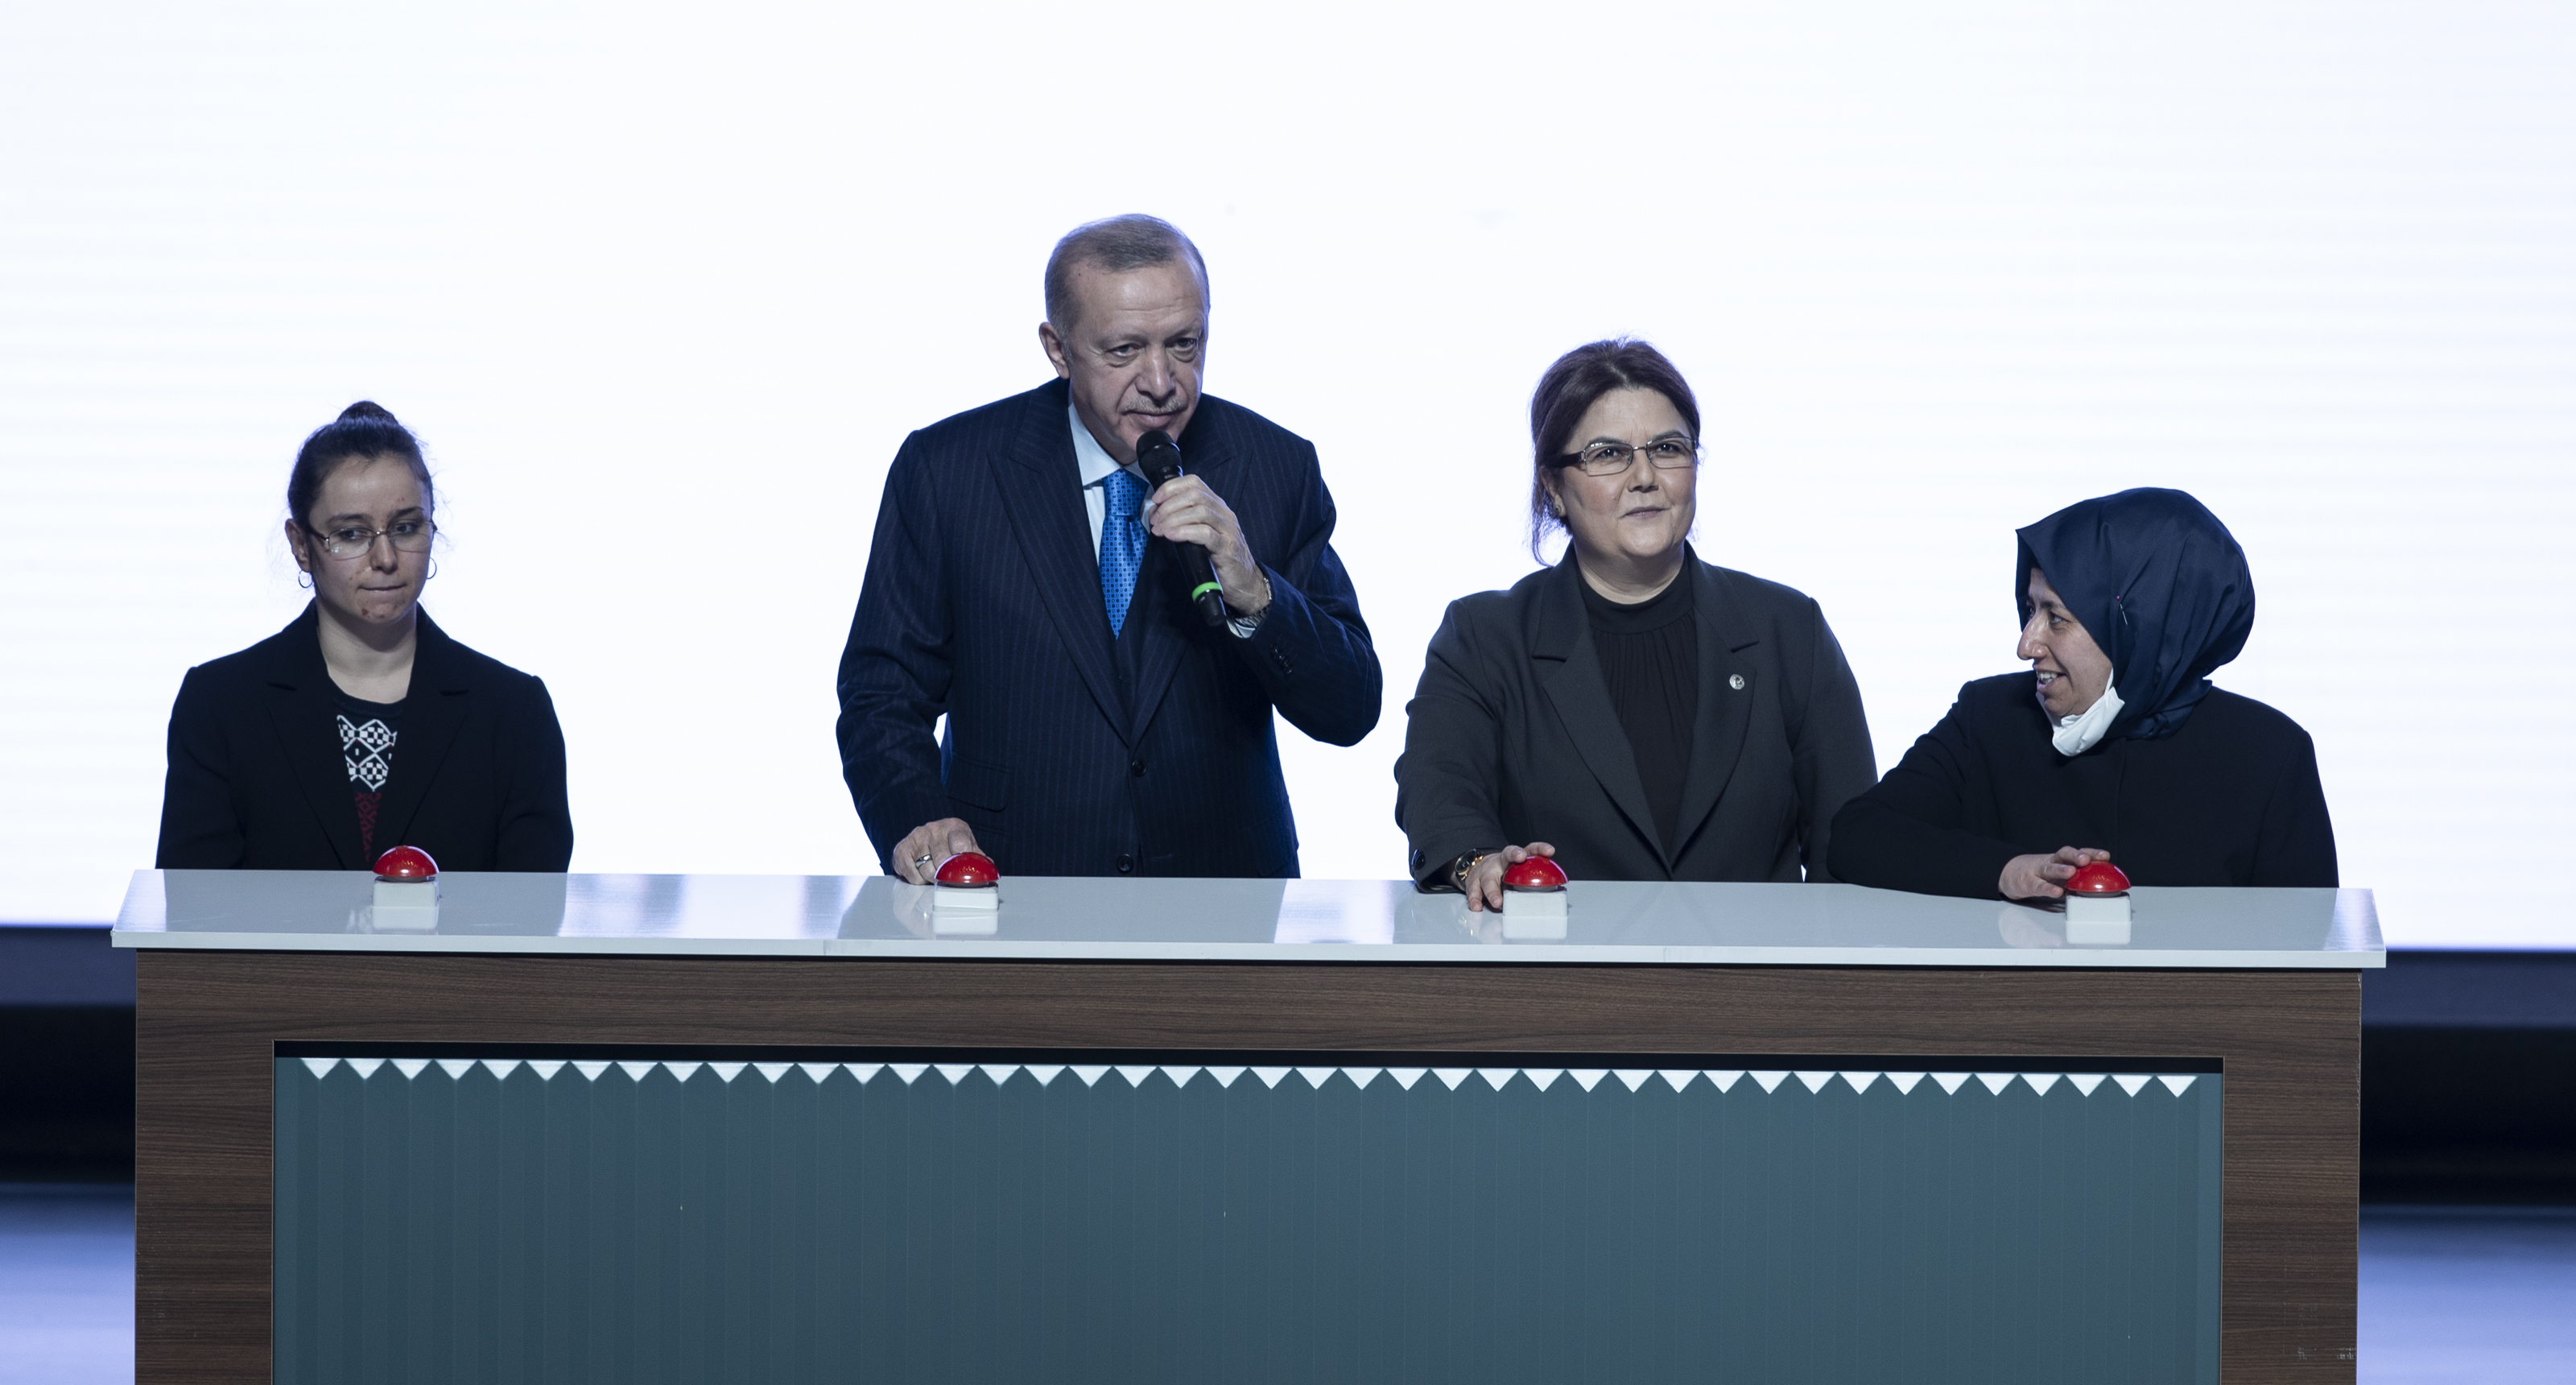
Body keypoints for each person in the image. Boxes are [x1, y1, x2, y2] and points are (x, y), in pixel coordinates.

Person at [836, 215, 1381, 880]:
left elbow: (1351, 708)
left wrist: (1257, 595)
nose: (1161, 381)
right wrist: (921, 823)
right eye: (1124, 350)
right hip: (1007, 889)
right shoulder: (947, 471)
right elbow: (882, 696)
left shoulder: (1277, 467)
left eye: (1184, 344)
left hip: (1223, 898)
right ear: (1058, 349)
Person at [1393, 340, 1876, 908]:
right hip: (1556, 961)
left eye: (1668, 448)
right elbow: (1439, 798)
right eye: (1608, 454)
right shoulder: (1484, 639)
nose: (1645, 476)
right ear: (1553, 486)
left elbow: (1851, 850)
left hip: (1758, 964)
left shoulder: (1789, 631)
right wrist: (1480, 864)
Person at [1827, 487, 2335, 899]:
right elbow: (1858, 836)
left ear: (2142, 628)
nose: (2026, 646)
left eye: (2057, 618)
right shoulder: (1989, 718)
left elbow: (2313, 960)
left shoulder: (2269, 755)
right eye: (2031, 610)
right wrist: (2005, 870)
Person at [155, 402, 573, 872]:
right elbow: (193, 907)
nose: (386, 558)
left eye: (406, 528)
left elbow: (532, 910)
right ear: (301, 545)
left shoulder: (514, 713)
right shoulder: (221, 706)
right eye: (352, 534)